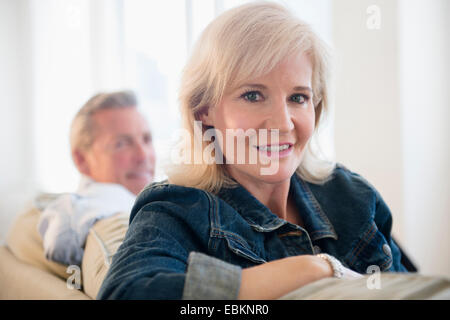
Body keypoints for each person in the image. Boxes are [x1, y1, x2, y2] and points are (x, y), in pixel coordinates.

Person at [97, 3, 408, 300]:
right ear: (204, 111)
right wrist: (316, 269)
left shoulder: (351, 195)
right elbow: (127, 293)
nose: (283, 124)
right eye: (253, 95)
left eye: (298, 98)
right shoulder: (176, 209)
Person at [37, 90, 156, 266]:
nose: (143, 155)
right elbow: (62, 236)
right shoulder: (89, 205)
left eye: (146, 139)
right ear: (82, 160)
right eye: (121, 144)